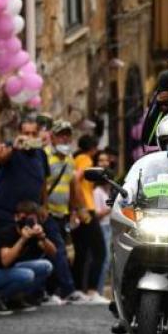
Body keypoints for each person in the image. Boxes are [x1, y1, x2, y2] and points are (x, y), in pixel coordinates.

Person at [0, 201, 56, 316]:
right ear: (16, 217)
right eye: (25, 218)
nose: (27, 223)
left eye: (32, 220)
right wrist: (22, 239)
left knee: (46, 266)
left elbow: (53, 253)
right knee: (27, 274)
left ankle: (15, 298)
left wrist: (43, 237)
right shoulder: (6, 232)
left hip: (9, 270)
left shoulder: (32, 232)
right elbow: (5, 261)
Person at [43, 120, 89, 304]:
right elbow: (40, 184)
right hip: (48, 213)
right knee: (59, 250)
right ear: (52, 137)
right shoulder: (44, 156)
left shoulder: (69, 158)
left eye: (67, 135)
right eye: (61, 134)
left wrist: (77, 209)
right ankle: (69, 290)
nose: (65, 138)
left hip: (62, 213)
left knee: (55, 252)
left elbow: (72, 185)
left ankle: (50, 292)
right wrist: (43, 207)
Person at [71, 134, 109, 304]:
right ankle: (93, 291)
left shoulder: (76, 157)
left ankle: (78, 290)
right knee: (100, 251)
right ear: (93, 149)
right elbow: (76, 179)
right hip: (87, 210)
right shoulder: (86, 159)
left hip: (79, 210)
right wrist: (82, 207)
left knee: (81, 253)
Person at [93, 149, 114, 298]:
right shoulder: (97, 192)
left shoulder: (107, 192)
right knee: (104, 260)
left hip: (110, 226)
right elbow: (97, 214)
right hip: (102, 227)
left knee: (110, 260)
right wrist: (111, 208)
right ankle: (98, 291)